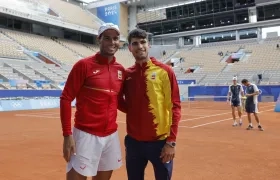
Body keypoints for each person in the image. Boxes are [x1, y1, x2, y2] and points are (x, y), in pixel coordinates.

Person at [60, 23, 125, 180]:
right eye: (107, 38)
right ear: (99, 40)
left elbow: (119, 102)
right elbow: (66, 98)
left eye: (115, 38)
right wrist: (67, 135)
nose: (112, 42)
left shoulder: (120, 70)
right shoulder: (83, 66)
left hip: (111, 135)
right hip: (85, 135)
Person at [119, 28, 181, 180]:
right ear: (129, 48)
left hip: (160, 143)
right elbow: (118, 100)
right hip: (134, 143)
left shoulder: (164, 71)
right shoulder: (127, 74)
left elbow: (175, 107)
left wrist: (171, 142)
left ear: (149, 45)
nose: (139, 46)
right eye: (135, 43)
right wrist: (134, 111)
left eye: (143, 42)